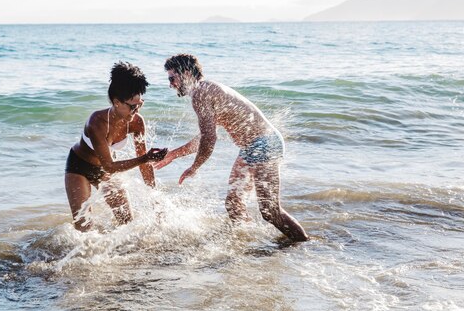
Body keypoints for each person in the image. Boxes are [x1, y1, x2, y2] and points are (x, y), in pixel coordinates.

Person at [155, 54, 309, 242]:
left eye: (172, 78)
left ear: (186, 73)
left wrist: (194, 167)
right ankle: (247, 244)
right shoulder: (206, 90)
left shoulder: (201, 93)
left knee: (270, 211)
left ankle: (303, 244)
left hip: (264, 145)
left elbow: (209, 139)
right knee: (233, 204)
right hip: (251, 148)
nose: (171, 84)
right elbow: (203, 137)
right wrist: (174, 155)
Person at [65, 61, 168, 231]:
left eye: (140, 104)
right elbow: (110, 166)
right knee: (84, 228)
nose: (137, 110)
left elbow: (144, 164)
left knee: (127, 221)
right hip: (79, 167)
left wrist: (154, 195)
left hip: (105, 172)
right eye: (132, 106)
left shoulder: (137, 122)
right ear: (116, 102)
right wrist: (145, 158)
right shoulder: (96, 122)